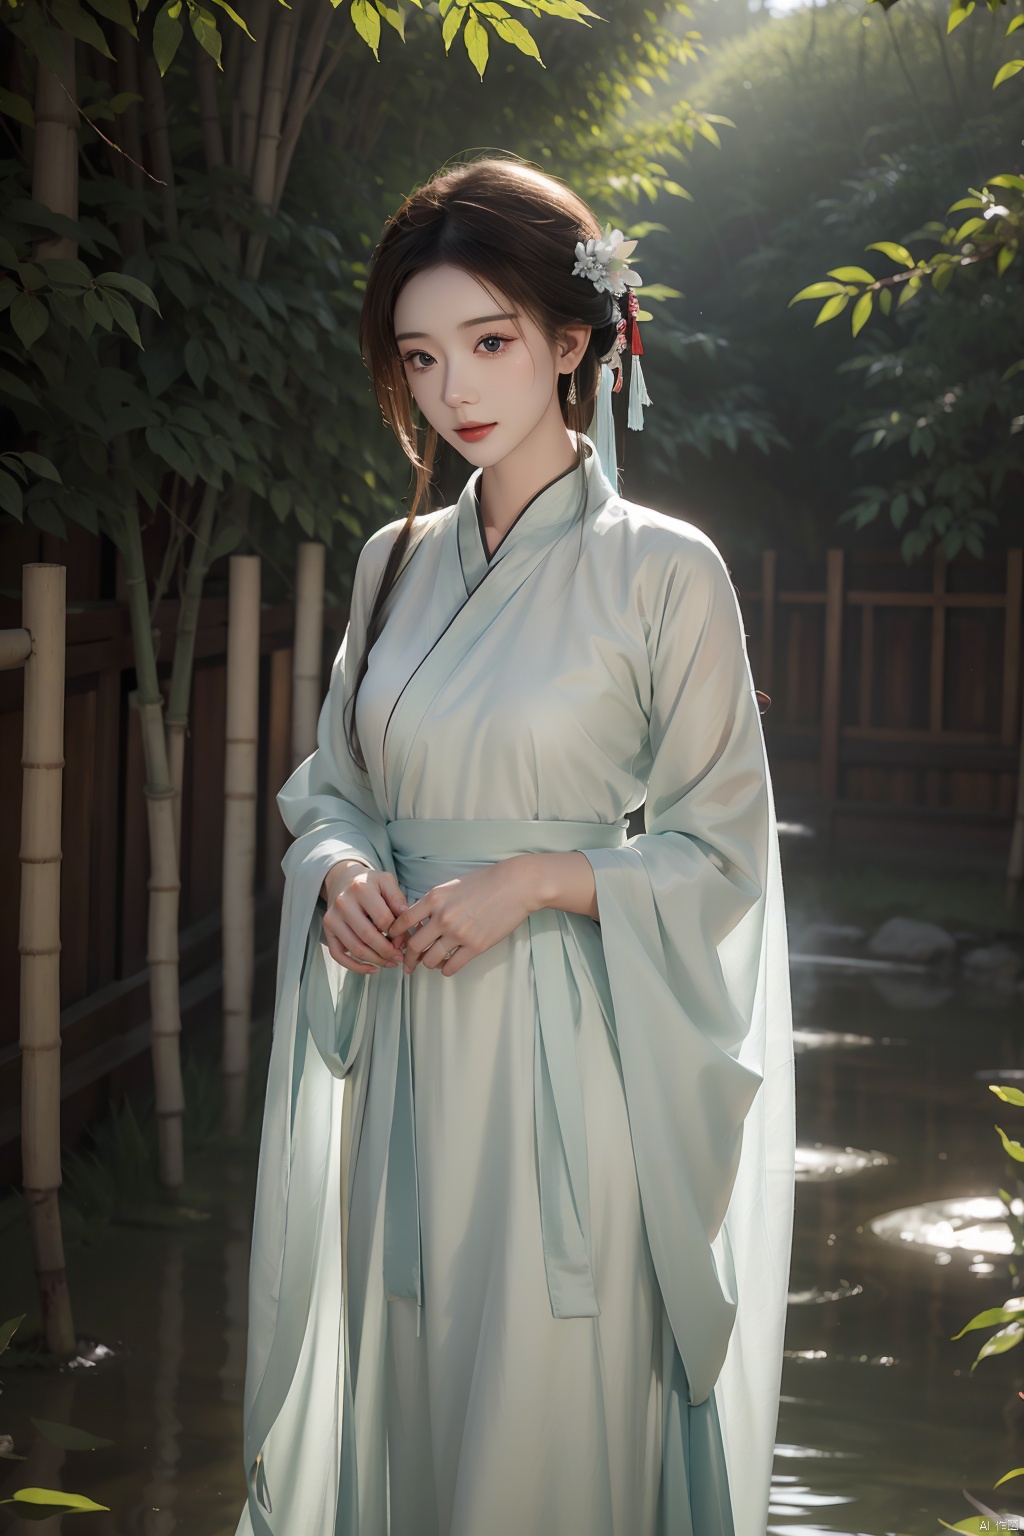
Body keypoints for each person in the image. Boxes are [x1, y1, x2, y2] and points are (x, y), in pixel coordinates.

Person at [234, 153, 796, 1536]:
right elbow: (335, 787)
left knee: (540, 1440)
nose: (455, 391)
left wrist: (543, 879)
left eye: (488, 344)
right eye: (420, 359)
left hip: (566, 1070)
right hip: (410, 1060)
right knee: (413, 1420)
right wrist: (344, 872)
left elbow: (722, 851)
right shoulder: (393, 561)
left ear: (574, 341)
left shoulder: (665, 570)